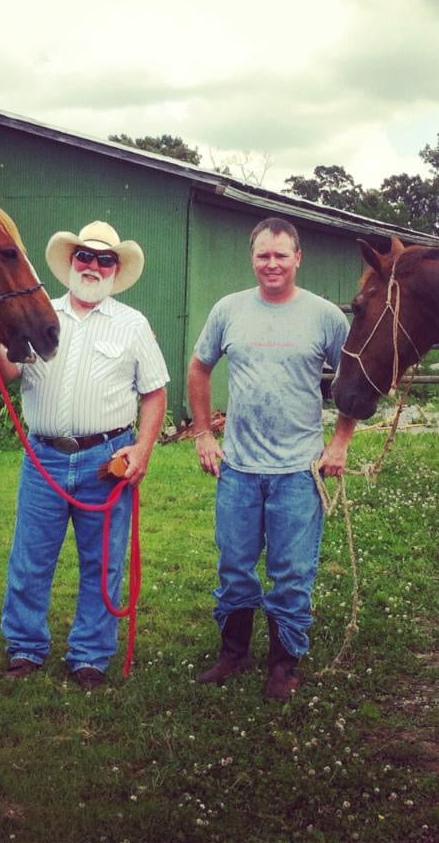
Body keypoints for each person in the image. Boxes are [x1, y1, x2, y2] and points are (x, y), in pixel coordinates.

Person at [0, 220, 168, 691]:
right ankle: (25, 648)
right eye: (84, 256)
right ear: (71, 262)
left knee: (103, 562)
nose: (92, 265)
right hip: (43, 458)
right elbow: (7, 371)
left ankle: (89, 656)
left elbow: (154, 393)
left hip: (105, 460)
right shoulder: (38, 314)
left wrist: (142, 450)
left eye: (104, 259)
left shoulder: (133, 325)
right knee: (30, 558)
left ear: (116, 268)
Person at [187, 216, 357, 700]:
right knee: (235, 566)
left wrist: (340, 442)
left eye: (282, 255)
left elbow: (353, 383)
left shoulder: (325, 317)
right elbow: (200, 367)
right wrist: (203, 433)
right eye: (263, 255)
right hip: (238, 468)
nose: (272, 264)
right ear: (252, 257)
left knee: (291, 573)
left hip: (300, 471)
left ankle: (284, 663)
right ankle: (233, 654)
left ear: (298, 258)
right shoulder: (229, 310)